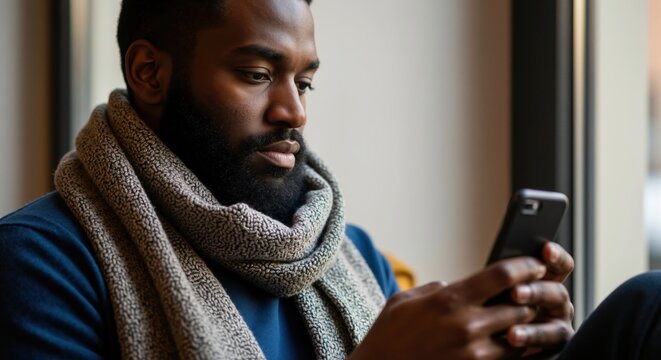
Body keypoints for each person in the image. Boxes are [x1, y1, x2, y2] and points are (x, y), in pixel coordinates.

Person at [0, 0, 660, 359]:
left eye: (304, 79)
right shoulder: (41, 262)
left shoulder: (343, 252)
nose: (294, 110)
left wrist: (503, 346)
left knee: (645, 307)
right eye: (258, 74)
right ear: (149, 73)